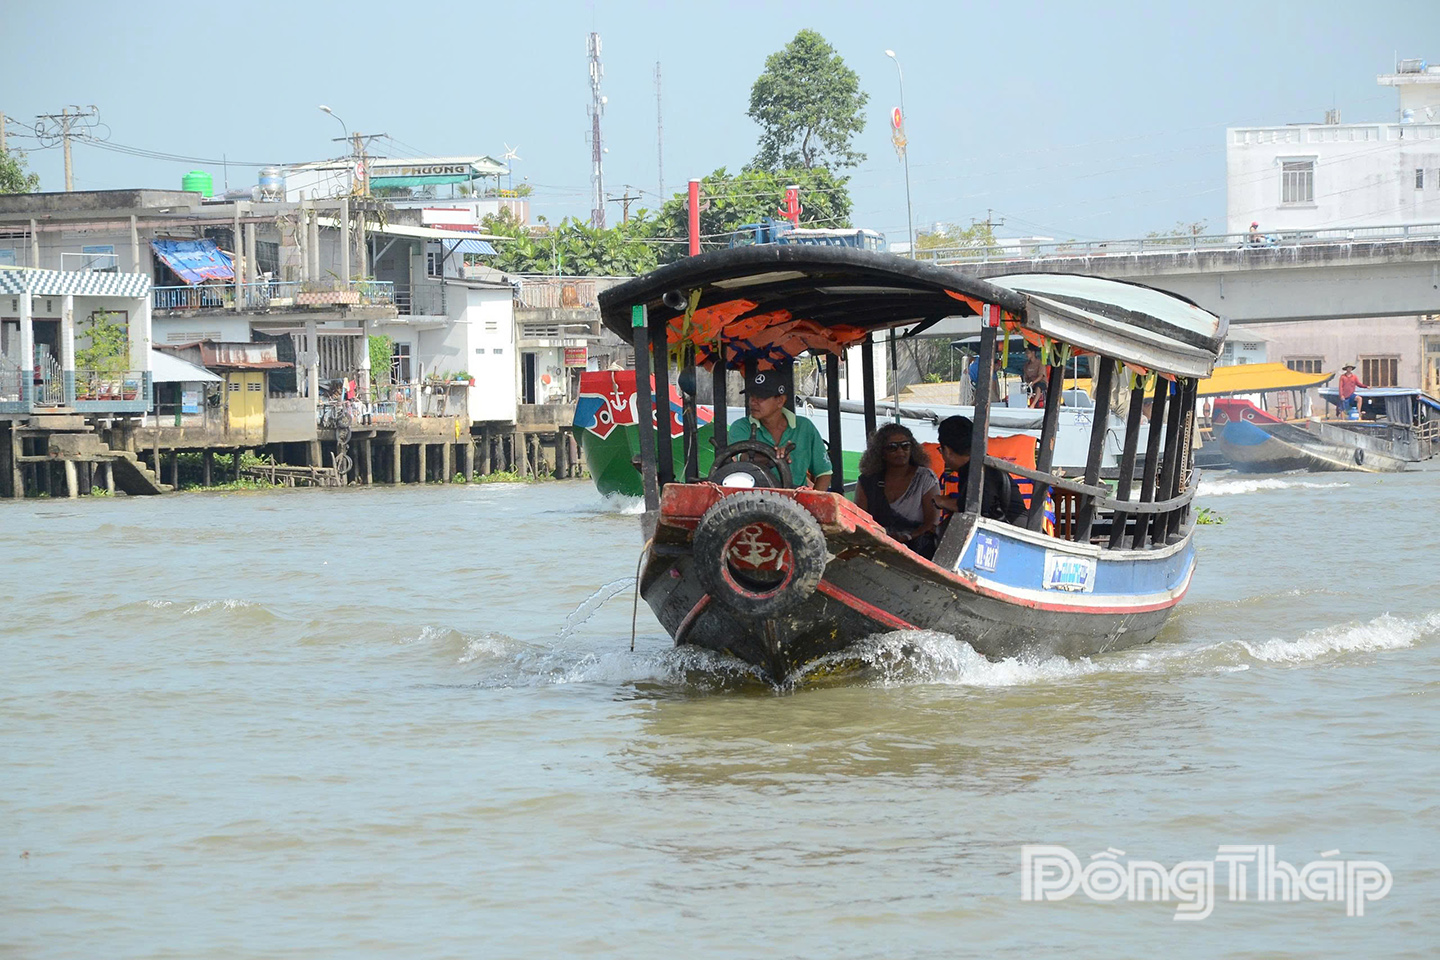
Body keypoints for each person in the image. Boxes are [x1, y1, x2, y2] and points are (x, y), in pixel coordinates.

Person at [727, 369, 832, 490]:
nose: (753, 402)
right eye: (751, 396)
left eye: (760, 397)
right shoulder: (740, 427)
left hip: (797, 504)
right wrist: (773, 456)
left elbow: (824, 473)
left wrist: (813, 503)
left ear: (780, 401)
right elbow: (742, 459)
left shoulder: (804, 427)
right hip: (752, 502)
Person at [854, 424, 939, 557]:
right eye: (892, 448)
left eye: (905, 446)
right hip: (877, 548)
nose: (900, 452)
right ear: (881, 452)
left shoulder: (925, 478)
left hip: (917, 551)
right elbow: (859, 520)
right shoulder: (867, 481)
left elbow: (932, 523)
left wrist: (907, 537)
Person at [929, 416, 1026, 527]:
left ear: (948, 451)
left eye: (941, 451)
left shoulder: (980, 470)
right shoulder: (974, 466)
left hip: (1013, 534)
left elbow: (975, 507)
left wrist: (941, 502)